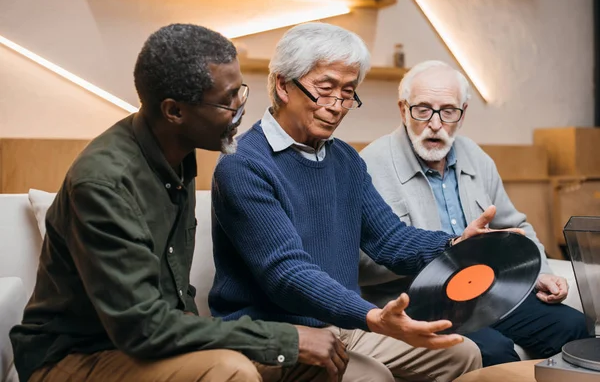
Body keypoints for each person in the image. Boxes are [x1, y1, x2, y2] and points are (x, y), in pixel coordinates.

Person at [9, 23, 351, 382]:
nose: (240, 109)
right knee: (232, 371)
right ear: (174, 112)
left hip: (149, 342)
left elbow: (171, 308)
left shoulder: (177, 159)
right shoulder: (104, 184)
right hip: (75, 357)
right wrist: (283, 337)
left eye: (241, 93)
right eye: (227, 100)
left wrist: (290, 341)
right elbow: (143, 329)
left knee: (312, 360)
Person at [207, 22, 527, 382]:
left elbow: (390, 240)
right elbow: (286, 273)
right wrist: (370, 316)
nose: (338, 107)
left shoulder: (344, 159)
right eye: (325, 90)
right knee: (371, 377)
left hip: (342, 325)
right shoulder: (244, 164)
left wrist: (453, 244)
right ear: (282, 85)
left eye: (348, 93)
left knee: (461, 353)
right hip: (272, 334)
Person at [359, 60, 590, 367]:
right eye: (423, 109)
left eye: (448, 111)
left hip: (485, 292)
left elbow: (515, 225)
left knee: (573, 326)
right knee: (492, 350)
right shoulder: (370, 166)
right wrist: (446, 251)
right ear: (403, 109)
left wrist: (542, 271)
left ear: (463, 114)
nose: (436, 123)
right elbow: (359, 261)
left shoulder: (477, 159)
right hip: (416, 304)